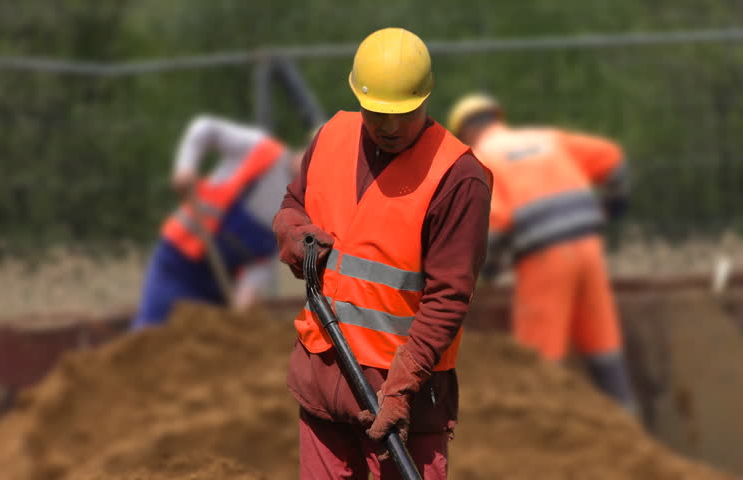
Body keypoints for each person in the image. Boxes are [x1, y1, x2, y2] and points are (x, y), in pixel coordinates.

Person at [272, 28, 492, 479]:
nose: (389, 127)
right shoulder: (332, 136)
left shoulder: (458, 178)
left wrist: (402, 386)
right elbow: (293, 206)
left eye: (403, 114)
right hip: (325, 382)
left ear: (425, 99)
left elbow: (449, 295)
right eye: (377, 114)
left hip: (400, 405)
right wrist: (296, 237)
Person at [446, 93, 637, 413]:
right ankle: (630, 426)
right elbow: (612, 159)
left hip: (545, 260)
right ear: (496, 118)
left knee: (538, 357)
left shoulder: (479, 160)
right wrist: (614, 206)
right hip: (589, 248)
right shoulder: (545, 138)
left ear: (463, 133)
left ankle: (545, 435)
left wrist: (488, 270)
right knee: (603, 344)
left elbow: (496, 225)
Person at [131, 115, 300, 330]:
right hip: (179, 262)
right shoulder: (262, 149)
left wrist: (243, 300)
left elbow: (261, 260)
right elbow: (204, 129)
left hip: (219, 287)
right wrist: (186, 167)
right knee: (150, 336)